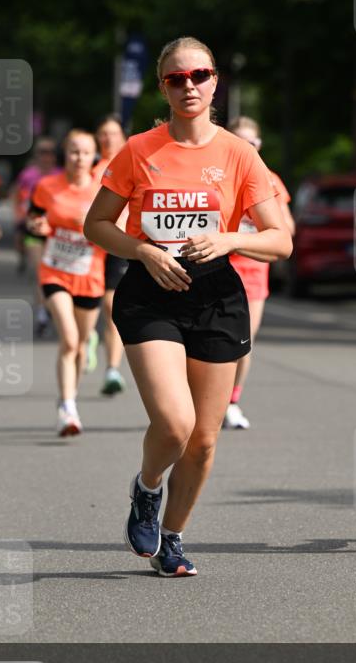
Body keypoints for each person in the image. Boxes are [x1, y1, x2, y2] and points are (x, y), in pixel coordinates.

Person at [84, 36, 292, 576]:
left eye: (198, 75)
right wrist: (144, 250)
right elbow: (97, 225)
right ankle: (147, 488)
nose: (189, 86)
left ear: (214, 81)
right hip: (151, 293)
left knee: (203, 439)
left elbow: (280, 240)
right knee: (175, 424)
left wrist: (228, 240)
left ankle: (172, 537)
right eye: (176, 79)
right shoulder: (138, 150)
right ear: (163, 87)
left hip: (216, 295)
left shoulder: (239, 154)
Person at [27, 130, 104, 436]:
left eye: (85, 152)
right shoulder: (48, 186)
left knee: (82, 346)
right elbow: (34, 219)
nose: (79, 158)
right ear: (65, 154)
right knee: (69, 340)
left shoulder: (103, 190)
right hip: (55, 270)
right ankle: (67, 408)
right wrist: (38, 225)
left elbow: (120, 226)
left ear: (94, 156)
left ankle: (69, 396)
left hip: (90, 274)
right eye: (73, 151)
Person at [224, 116, 295, 429]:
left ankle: (232, 401)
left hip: (254, 272)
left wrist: (262, 223)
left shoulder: (272, 180)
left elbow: (288, 230)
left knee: (243, 341)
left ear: (259, 145)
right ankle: (207, 398)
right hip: (220, 269)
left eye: (251, 143)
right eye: (240, 142)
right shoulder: (220, 177)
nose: (247, 148)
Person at [88, 115, 130, 392]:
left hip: (119, 243)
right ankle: (86, 336)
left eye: (113, 134)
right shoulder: (90, 168)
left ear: (123, 137)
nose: (107, 139)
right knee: (91, 306)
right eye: (102, 134)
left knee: (111, 305)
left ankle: (112, 369)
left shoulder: (132, 164)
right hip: (87, 247)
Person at [9, 137, 59, 333]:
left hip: (56, 230)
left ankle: (51, 305)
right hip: (33, 227)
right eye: (42, 152)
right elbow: (16, 193)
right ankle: (41, 311)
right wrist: (18, 214)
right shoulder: (28, 174)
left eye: (50, 152)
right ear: (37, 155)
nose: (46, 156)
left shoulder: (60, 174)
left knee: (54, 272)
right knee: (40, 271)